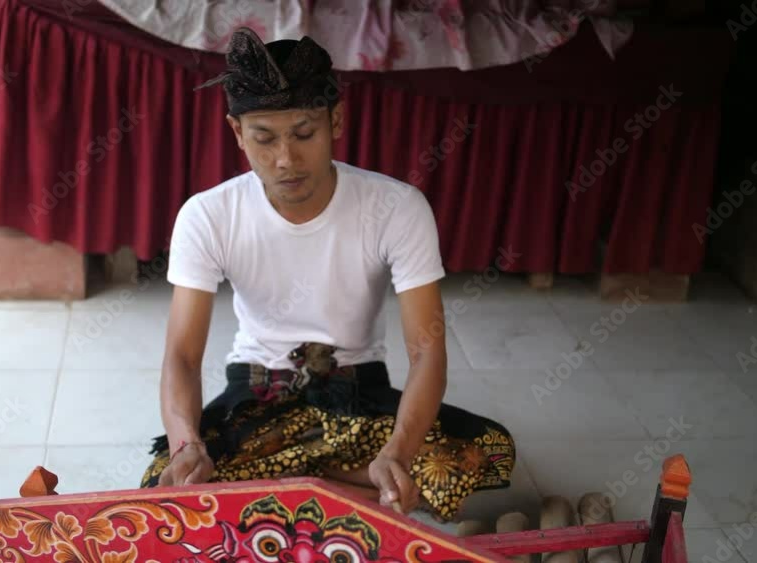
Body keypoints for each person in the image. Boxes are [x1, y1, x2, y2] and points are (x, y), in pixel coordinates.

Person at [140, 27, 514, 522]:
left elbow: (427, 351)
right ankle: (346, 497)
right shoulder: (207, 215)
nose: (286, 159)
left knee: (487, 451)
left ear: (335, 120)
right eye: (264, 138)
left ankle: (277, 495)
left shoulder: (398, 207)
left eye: (304, 134)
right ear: (237, 132)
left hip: (358, 390)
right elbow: (183, 356)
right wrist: (187, 445)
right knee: (166, 474)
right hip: (256, 393)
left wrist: (397, 452)